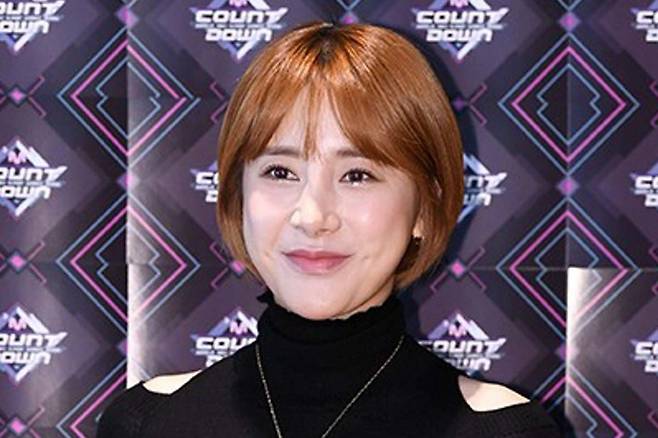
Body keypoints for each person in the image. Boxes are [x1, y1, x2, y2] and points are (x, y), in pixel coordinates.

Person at [97, 21, 562, 437]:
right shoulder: (148, 422)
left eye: (357, 175)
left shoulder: (501, 430)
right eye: (280, 172)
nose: (313, 216)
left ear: (425, 206)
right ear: (238, 196)